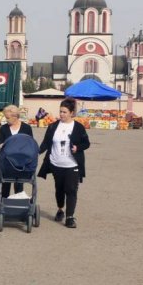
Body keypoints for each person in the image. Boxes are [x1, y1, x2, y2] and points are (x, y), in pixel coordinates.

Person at [37, 97, 90, 229]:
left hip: (72, 165)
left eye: (64, 112)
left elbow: (86, 143)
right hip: (56, 164)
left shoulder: (78, 127)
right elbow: (45, 143)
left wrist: (78, 148)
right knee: (59, 190)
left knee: (71, 190)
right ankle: (60, 209)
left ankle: (70, 217)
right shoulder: (53, 126)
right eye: (60, 111)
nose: (61, 114)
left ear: (71, 113)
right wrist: (35, 152)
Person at [0, 105, 36, 197]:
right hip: (7, 161)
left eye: (7, 118)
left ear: (15, 116)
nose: (6, 120)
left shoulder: (26, 128)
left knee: (19, 183)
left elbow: (30, 144)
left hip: (22, 162)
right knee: (5, 183)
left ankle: (18, 201)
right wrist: (0, 145)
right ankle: (4, 200)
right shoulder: (3, 128)